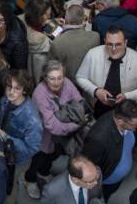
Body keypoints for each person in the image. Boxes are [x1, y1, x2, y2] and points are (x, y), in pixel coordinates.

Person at [28, 60, 87, 197]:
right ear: (45, 78)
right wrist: (77, 123)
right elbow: (53, 126)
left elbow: (79, 102)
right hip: (42, 135)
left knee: (52, 156)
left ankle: (44, 173)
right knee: (39, 159)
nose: (57, 82)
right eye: (52, 78)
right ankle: (29, 179)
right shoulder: (40, 94)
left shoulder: (67, 83)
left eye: (60, 78)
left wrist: (71, 116)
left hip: (61, 136)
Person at [76, 27, 137, 118]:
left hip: (127, 108)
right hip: (97, 104)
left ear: (125, 43)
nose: (114, 49)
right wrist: (96, 91)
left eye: (118, 44)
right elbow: (80, 77)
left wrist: (127, 96)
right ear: (104, 42)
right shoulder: (92, 54)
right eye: (110, 44)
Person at [0, 69, 43, 203]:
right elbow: (2, 113)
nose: (11, 92)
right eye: (9, 87)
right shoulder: (8, 99)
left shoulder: (32, 119)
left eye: (17, 88)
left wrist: (6, 137)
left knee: (10, 185)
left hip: (17, 159)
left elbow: (32, 148)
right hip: (2, 148)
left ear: (24, 91)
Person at [81, 99, 137, 200]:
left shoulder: (126, 124)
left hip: (116, 179)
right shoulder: (98, 139)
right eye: (135, 125)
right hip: (107, 182)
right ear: (120, 121)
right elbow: (89, 165)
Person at [49, 5, 101, 80]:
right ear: (83, 18)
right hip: (90, 80)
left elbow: (51, 69)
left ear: (66, 18)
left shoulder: (57, 43)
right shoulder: (95, 37)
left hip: (69, 82)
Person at [37, 156, 102, 204]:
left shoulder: (95, 172)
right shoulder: (52, 190)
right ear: (75, 180)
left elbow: (99, 195)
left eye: (96, 177)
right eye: (91, 181)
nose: (96, 182)